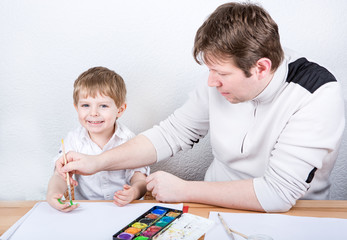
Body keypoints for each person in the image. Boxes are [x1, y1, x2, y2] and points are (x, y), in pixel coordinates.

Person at [56, 3, 345, 212]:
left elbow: (277, 194)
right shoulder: (220, 77)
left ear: (260, 67)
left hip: (295, 219)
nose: (210, 82)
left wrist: (183, 189)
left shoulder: (318, 94)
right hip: (209, 209)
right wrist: (96, 162)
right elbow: (171, 134)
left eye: (220, 73)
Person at [46, 67, 149, 212]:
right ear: (77, 108)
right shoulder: (73, 139)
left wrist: (134, 192)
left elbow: (140, 179)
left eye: (103, 106)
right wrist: (52, 194)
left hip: (124, 209)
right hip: (85, 211)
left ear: (120, 110)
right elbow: (60, 175)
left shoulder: (129, 140)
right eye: (86, 105)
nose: (93, 113)